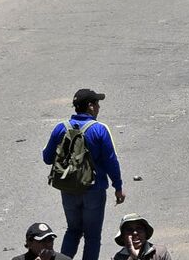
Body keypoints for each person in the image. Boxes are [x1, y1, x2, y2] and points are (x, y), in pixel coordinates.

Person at [43, 88, 125, 260]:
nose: (99, 107)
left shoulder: (61, 128)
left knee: (72, 231)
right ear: (90, 106)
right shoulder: (99, 129)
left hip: (68, 189)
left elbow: (47, 158)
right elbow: (111, 161)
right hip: (94, 190)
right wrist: (118, 186)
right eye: (97, 104)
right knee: (92, 236)